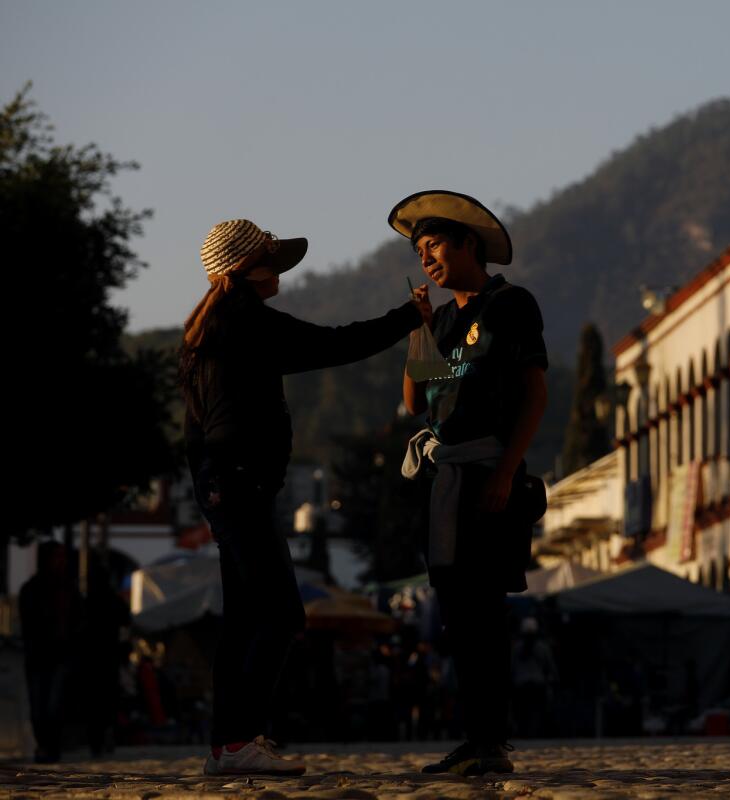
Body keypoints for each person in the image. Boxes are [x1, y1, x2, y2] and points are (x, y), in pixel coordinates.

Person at [179, 218, 431, 776]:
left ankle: (228, 746)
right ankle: (241, 740)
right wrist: (409, 317)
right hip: (241, 485)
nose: (281, 273)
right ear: (246, 270)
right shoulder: (243, 322)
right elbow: (334, 343)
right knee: (281, 615)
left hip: (226, 487)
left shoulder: (209, 327)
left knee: (245, 619)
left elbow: (194, 433)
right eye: (272, 261)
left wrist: (209, 488)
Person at [391, 191, 548, 776]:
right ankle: (477, 737)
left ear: (468, 245)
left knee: (484, 611)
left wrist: (507, 471)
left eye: (435, 245)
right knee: (457, 612)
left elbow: (535, 391)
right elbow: (414, 402)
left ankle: (491, 740)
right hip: (446, 479)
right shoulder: (449, 319)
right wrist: (420, 328)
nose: (427, 258)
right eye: (420, 250)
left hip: (489, 473)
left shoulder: (509, 305)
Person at [18, 541, 81, 763]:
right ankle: (44, 745)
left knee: (54, 704)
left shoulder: (69, 588)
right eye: (57, 557)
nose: (60, 562)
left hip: (61, 655)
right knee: (38, 707)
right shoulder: (32, 589)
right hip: (39, 655)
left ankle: (51, 746)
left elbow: (77, 620)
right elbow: (28, 624)